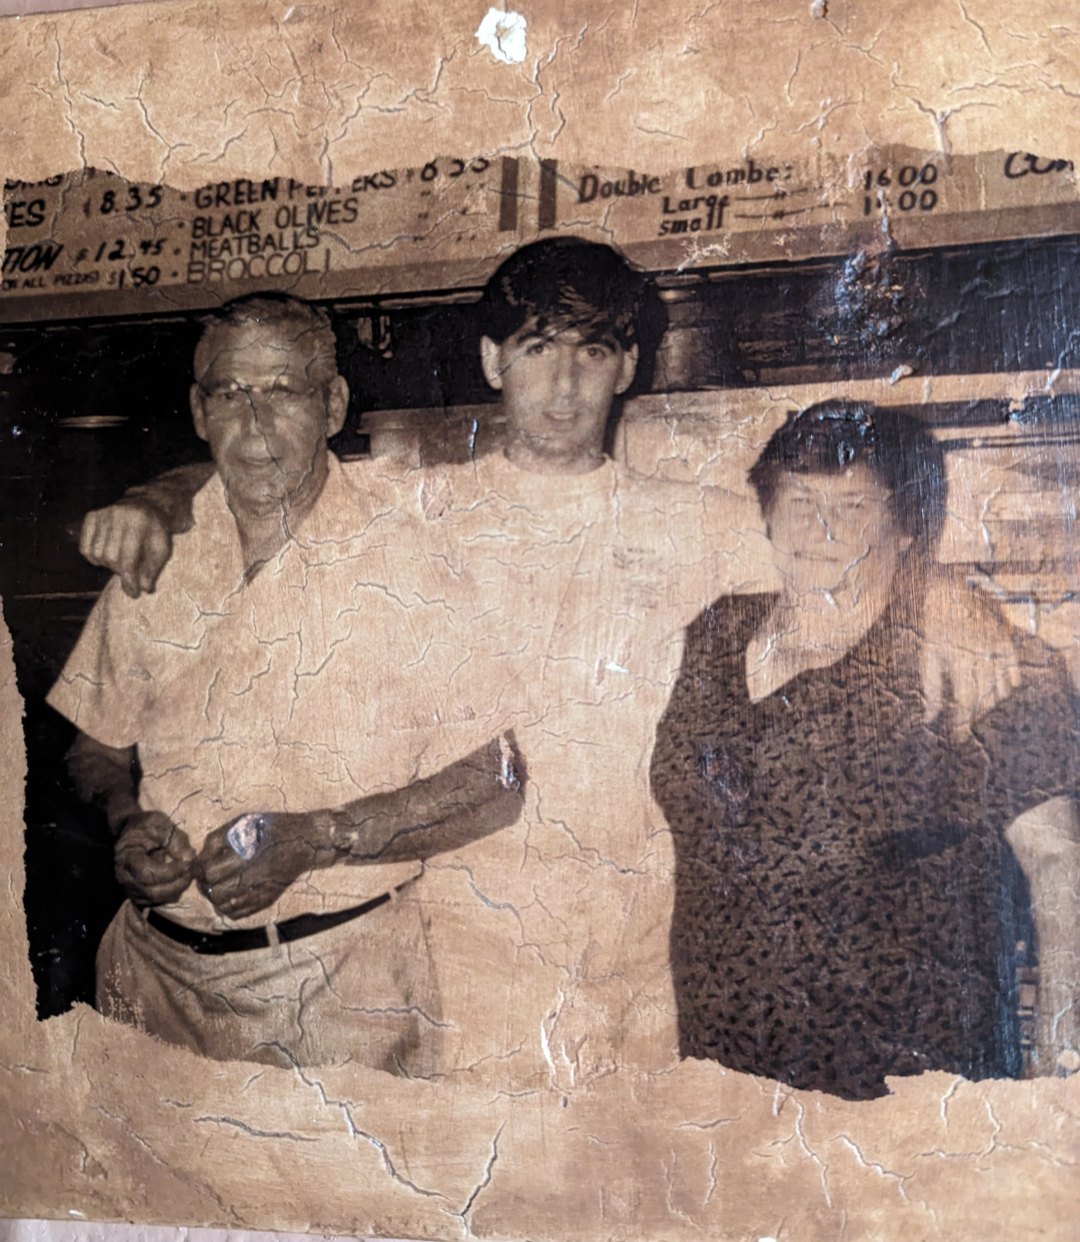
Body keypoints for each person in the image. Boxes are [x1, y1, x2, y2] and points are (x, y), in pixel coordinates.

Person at [75, 242, 1023, 1091]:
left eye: (592, 352)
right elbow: (262, 457)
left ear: (630, 365)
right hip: (466, 933)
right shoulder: (417, 506)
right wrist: (153, 497)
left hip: (641, 930)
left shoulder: (697, 519)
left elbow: (842, 552)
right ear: (493, 360)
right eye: (536, 349)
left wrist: (952, 600)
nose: (564, 386)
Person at [48, 294, 524, 1073]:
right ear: (199, 413)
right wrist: (126, 818)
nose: (255, 423)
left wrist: (316, 838)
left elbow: (499, 781)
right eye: (231, 393)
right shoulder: (157, 554)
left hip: (339, 1000)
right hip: (150, 988)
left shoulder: (409, 556)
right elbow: (93, 749)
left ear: (333, 404)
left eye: (283, 391)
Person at [650, 401, 1080, 1100]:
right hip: (723, 1075)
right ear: (765, 513)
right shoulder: (716, 635)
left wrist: (1061, 1062)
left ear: (907, 526)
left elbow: (1062, 865)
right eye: (799, 500)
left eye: (854, 505)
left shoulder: (986, 664)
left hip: (907, 1090)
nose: (821, 530)